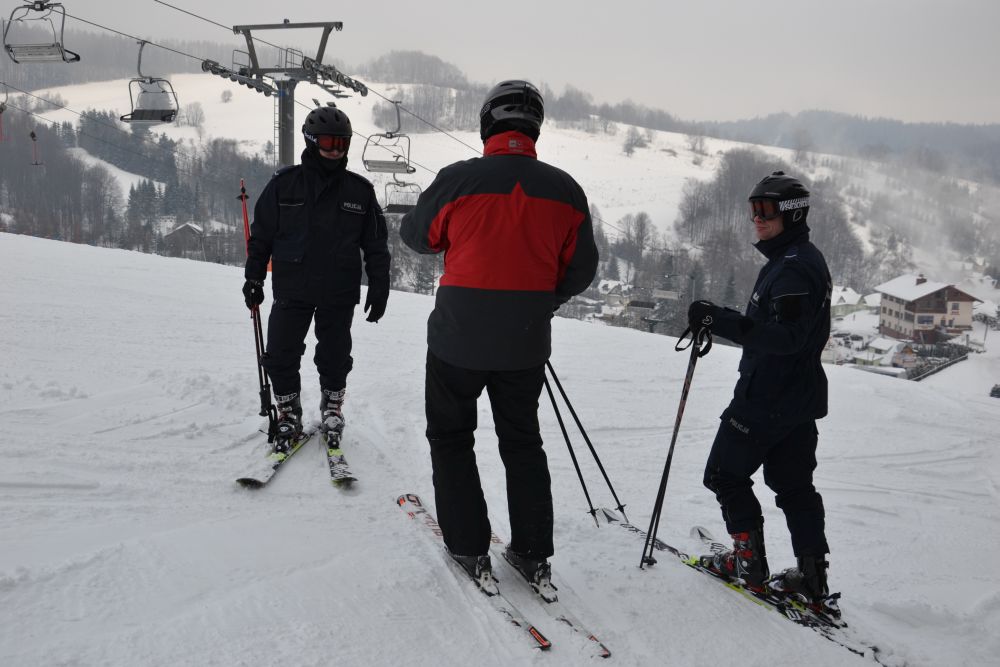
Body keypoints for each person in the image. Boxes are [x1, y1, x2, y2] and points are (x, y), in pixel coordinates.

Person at [400, 80, 598, 593]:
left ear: (488, 123)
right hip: (524, 343)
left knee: (451, 437)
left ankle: (468, 546)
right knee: (522, 442)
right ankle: (532, 552)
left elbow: (419, 236)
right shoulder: (566, 191)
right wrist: (540, 301)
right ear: (535, 128)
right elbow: (580, 270)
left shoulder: (458, 179)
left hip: (457, 339)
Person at [686, 171, 835, 610]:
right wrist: (722, 315)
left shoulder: (793, 269)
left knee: (724, 475)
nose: (757, 218)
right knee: (794, 485)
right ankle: (812, 578)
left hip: (766, 396)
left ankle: (748, 564)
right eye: (753, 209)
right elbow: (780, 327)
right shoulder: (796, 258)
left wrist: (720, 321)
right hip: (798, 397)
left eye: (766, 210)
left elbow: (786, 337)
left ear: (792, 213)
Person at [243, 105, 390, 451]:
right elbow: (261, 236)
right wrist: (254, 278)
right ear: (311, 141)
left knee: (335, 355)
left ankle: (332, 407)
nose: (335, 150)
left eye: (342, 143)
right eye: (328, 142)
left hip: (339, 289)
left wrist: (379, 284)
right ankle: (288, 412)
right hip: (292, 286)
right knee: (280, 353)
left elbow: (376, 244)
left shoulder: (359, 191)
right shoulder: (284, 185)